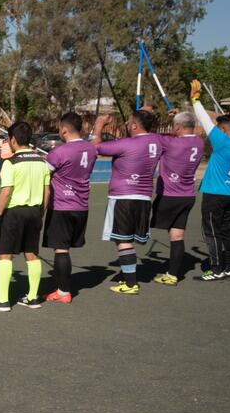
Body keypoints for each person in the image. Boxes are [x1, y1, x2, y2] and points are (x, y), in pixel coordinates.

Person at [92, 109, 163, 294]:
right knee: (128, 240)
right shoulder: (157, 140)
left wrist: (99, 126)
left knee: (122, 240)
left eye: (129, 122)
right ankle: (130, 278)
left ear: (134, 125)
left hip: (124, 197)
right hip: (144, 197)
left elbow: (96, 146)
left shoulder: (126, 144)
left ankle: (131, 283)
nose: (126, 124)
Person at [0, 121, 51, 311]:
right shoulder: (42, 162)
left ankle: (3, 300)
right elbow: (47, 192)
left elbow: (6, 191)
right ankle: (32, 297)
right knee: (32, 253)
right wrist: (41, 212)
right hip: (35, 212)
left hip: (13, 213)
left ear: (13, 139)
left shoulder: (10, 163)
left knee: (5, 255)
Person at [190, 79, 230, 280]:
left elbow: (207, 122)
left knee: (212, 232)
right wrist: (221, 118)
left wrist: (196, 100)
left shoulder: (222, 141)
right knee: (228, 232)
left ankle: (216, 270)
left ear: (222, 131)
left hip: (215, 194)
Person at [41, 111, 98, 303]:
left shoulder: (59, 152)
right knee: (65, 249)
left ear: (64, 129)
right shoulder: (91, 149)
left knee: (61, 249)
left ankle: (63, 291)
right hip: (81, 207)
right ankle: (62, 286)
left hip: (62, 206)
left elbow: (45, 173)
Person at [148, 110, 203, 285]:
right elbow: (187, 129)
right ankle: (172, 275)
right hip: (187, 196)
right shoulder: (199, 142)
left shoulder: (170, 143)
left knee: (139, 226)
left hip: (169, 196)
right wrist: (179, 117)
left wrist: (146, 115)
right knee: (177, 236)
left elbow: (148, 135)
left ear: (178, 127)